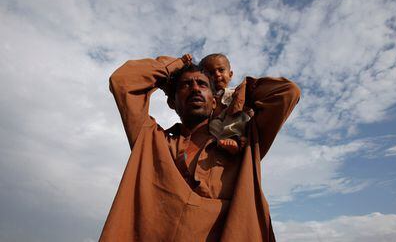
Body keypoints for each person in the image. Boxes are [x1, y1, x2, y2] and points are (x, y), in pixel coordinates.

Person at [99, 53, 300, 242]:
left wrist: (240, 94)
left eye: (202, 84)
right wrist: (176, 65)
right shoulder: (150, 140)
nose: (195, 88)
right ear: (172, 102)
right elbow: (122, 81)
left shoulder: (242, 142)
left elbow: (287, 93)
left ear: (215, 101)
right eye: (186, 85)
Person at [199, 53, 251, 155]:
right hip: (220, 130)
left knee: (237, 114)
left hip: (236, 119)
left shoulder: (235, 92)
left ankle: (236, 137)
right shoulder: (207, 98)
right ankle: (226, 144)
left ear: (230, 74)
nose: (217, 74)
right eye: (210, 73)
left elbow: (248, 108)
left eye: (221, 70)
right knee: (213, 124)